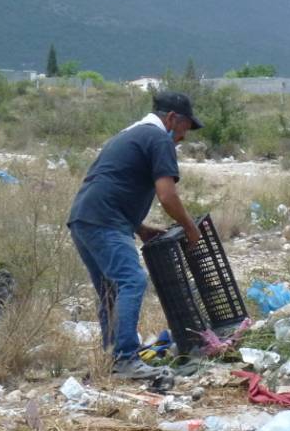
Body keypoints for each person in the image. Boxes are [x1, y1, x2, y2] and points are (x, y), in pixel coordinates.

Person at [68, 91, 203, 378]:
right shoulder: (158, 138)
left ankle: (112, 357)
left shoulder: (131, 134)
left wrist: (139, 227)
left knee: (110, 290)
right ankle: (126, 358)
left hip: (84, 217)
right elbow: (167, 196)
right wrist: (191, 228)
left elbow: (113, 180)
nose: (183, 137)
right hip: (105, 220)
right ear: (171, 118)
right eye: (184, 128)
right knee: (132, 280)